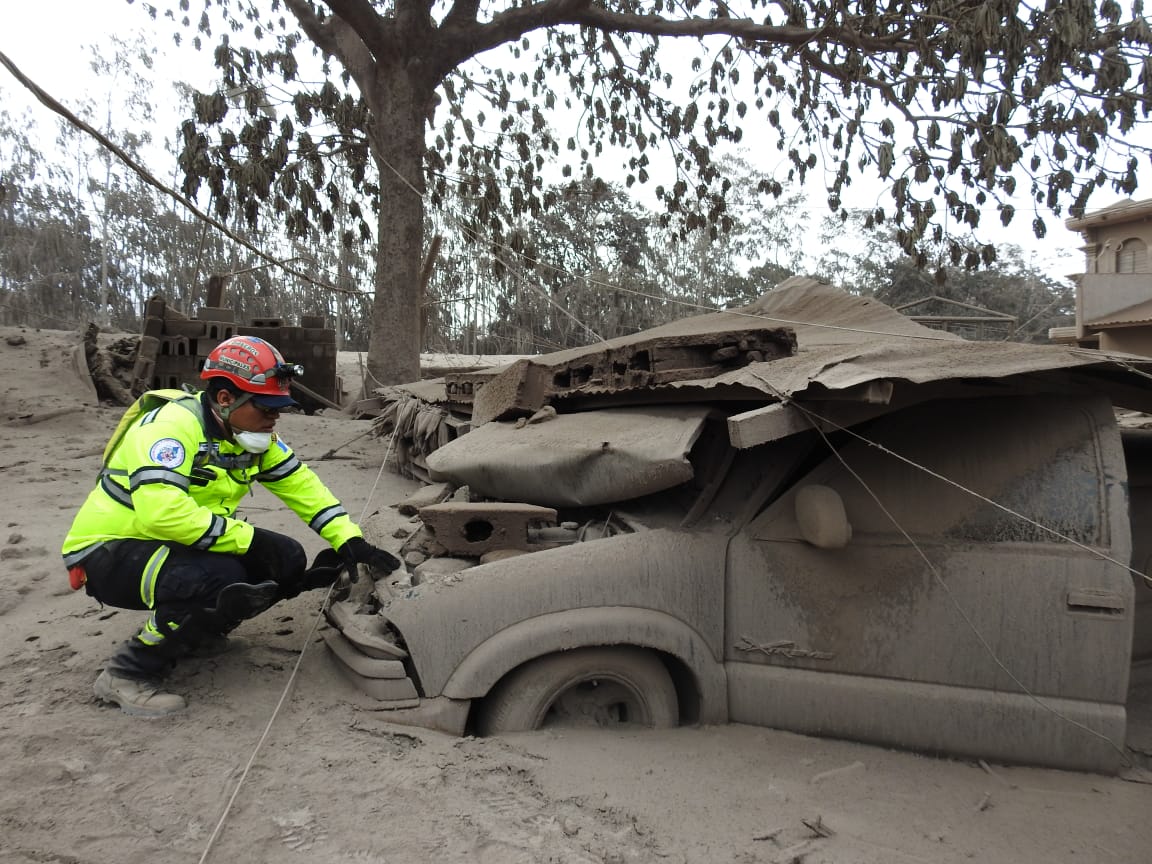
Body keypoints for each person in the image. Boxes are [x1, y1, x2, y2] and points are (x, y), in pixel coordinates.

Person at [61, 335, 399, 717]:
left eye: (278, 408)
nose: (275, 418)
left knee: (287, 559)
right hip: (108, 550)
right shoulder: (170, 428)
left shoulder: (252, 436)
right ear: (225, 399)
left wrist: (348, 539)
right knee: (213, 577)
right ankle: (127, 672)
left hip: (169, 541)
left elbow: (302, 486)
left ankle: (199, 634)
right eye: (266, 407)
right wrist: (248, 540)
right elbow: (163, 514)